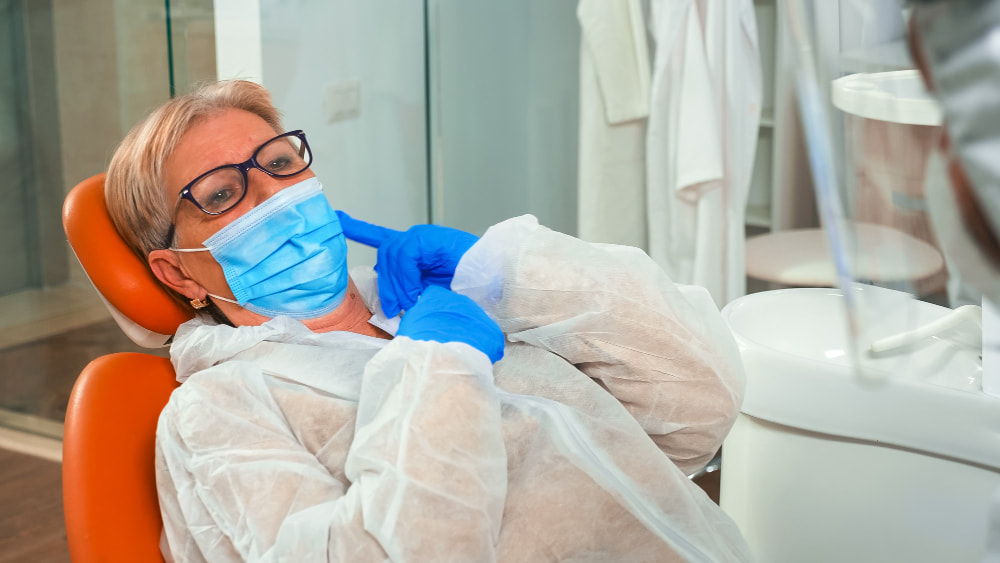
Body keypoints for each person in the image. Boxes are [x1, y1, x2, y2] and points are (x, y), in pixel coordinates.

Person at [104, 79, 751, 562]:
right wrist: (439, 367)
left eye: (279, 162)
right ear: (178, 273)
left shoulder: (451, 294)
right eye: (221, 193)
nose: (274, 194)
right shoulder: (219, 412)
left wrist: (501, 267)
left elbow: (699, 403)